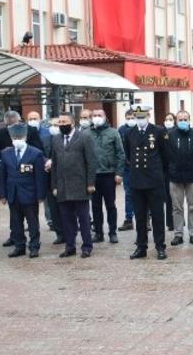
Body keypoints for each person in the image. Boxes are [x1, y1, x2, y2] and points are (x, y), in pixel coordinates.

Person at [48, 112, 97, 258]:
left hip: (80, 185)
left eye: (64, 122)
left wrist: (90, 183)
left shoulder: (84, 137)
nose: (62, 125)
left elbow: (91, 161)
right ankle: (70, 246)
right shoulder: (56, 139)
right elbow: (54, 163)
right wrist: (54, 185)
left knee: (83, 219)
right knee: (66, 219)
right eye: (60, 123)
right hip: (62, 186)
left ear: (72, 123)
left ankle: (87, 246)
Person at [123, 105, 169, 260]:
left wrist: (160, 174)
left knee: (157, 216)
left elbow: (165, 155)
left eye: (142, 117)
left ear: (148, 116)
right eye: (137, 117)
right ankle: (141, 246)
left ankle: (160, 247)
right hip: (137, 181)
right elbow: (128, 155)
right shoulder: (130, 133)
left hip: (154, 180)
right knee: (140, 217)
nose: (140, 120)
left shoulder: (158, 131)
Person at [0, 122, 48, 258]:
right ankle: (19, 246)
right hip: (13, 194)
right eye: (14, 138)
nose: (17, 140)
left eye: (20, 137)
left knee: (32, 223)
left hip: (30, 194)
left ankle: (34, 246)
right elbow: (2, 176)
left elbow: (40, 177)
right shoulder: (6, 154)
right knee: (16, 223)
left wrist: (41, 195)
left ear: (25, 137)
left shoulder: (36, 153)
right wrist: (2, 194)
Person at [165, 110, 193, 247]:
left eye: (185, 119)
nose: (183, 121)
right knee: (177, 207)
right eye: (180, 119)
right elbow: (166, 155)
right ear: (176, 121)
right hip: (175, 177)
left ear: (189, 120)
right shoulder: (169, 135)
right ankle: (178, 234)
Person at [86, 108, 125, 244]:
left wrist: (119, 173)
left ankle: (112, 232)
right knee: (95, 206)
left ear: (105, 117)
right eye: (94, 115)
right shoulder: (86, 134)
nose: (97, 117)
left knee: (110, 205)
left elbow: (120, 154)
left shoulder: (113, 133)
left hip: (108, 174)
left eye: (99, 115)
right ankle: (98, 233)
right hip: (92, 176)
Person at [118, 113, 136, 232]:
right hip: (127, 167)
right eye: (128, 118)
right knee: (129, 193)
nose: (130, 120)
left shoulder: (142, 128)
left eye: (132, 118)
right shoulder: (121, 130)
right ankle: (129, 219)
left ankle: (146, 219)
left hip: (141, 166)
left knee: (145, 193)